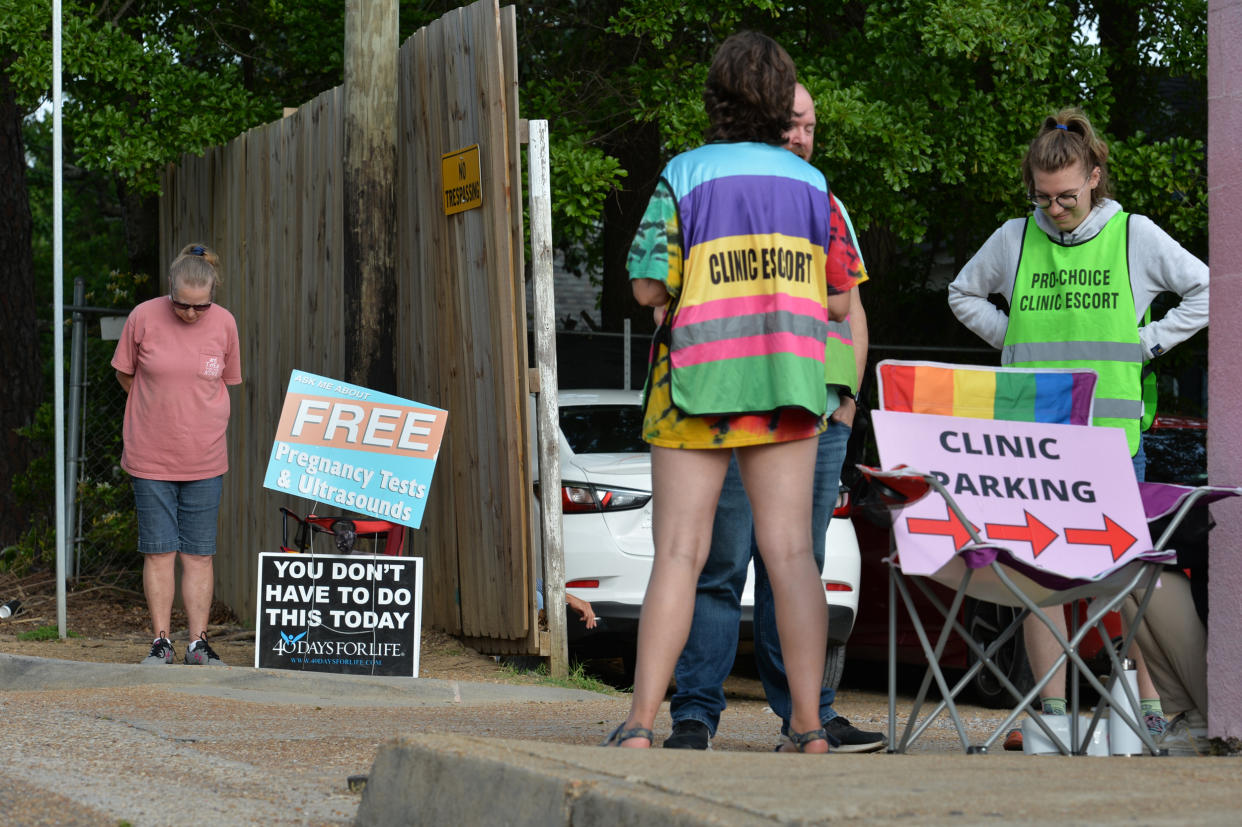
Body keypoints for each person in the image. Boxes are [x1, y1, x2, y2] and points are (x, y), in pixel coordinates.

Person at [602, 32, 865, 751]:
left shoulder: (684, 174)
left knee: (680, 556)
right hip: (786, 385)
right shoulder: (814, 188)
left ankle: (641, 724)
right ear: (783, 104)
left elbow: (648, 285)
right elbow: (842, 302)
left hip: (695, 383)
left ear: (716, 97)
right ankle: (810, 728)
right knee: (791, 557)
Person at [947, 107, 1209, 749]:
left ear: (1095, 177)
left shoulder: (1132, 236)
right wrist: (1013, 337)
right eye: (1042, 197)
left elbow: (1207, 290)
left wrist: (1146, 342)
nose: (1055, 208)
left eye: (1067, 196)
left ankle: (1153, 711)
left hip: (1112, 445)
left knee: (1125, 578)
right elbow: (961, 293)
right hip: (1032, 443)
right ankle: (1055, 714)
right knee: (1041, 578)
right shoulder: (1014, 238)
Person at [662, 82, 885, 753]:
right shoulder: (732, 187)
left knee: (799, 564)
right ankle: (694, 715)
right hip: (742, 402)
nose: (800, 135)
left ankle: (808, 716)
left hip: (817, 413)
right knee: (720, 565)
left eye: (809, 125)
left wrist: (847, 401)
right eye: (790, 122)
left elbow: (851, 307)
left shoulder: (823, 196)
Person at [113, 243, 243, 666]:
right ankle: (161, 641)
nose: (190, 314)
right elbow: (124, 373)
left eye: (200, 307)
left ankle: (198, 643)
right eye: (182, 305)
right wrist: (156, 411)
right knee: (159, 550)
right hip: (150, 456)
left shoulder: (225, 324)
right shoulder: (143, 317)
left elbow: (226, 380)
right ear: (170, 290)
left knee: (199, 553)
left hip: (205, 457)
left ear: (212, 295)